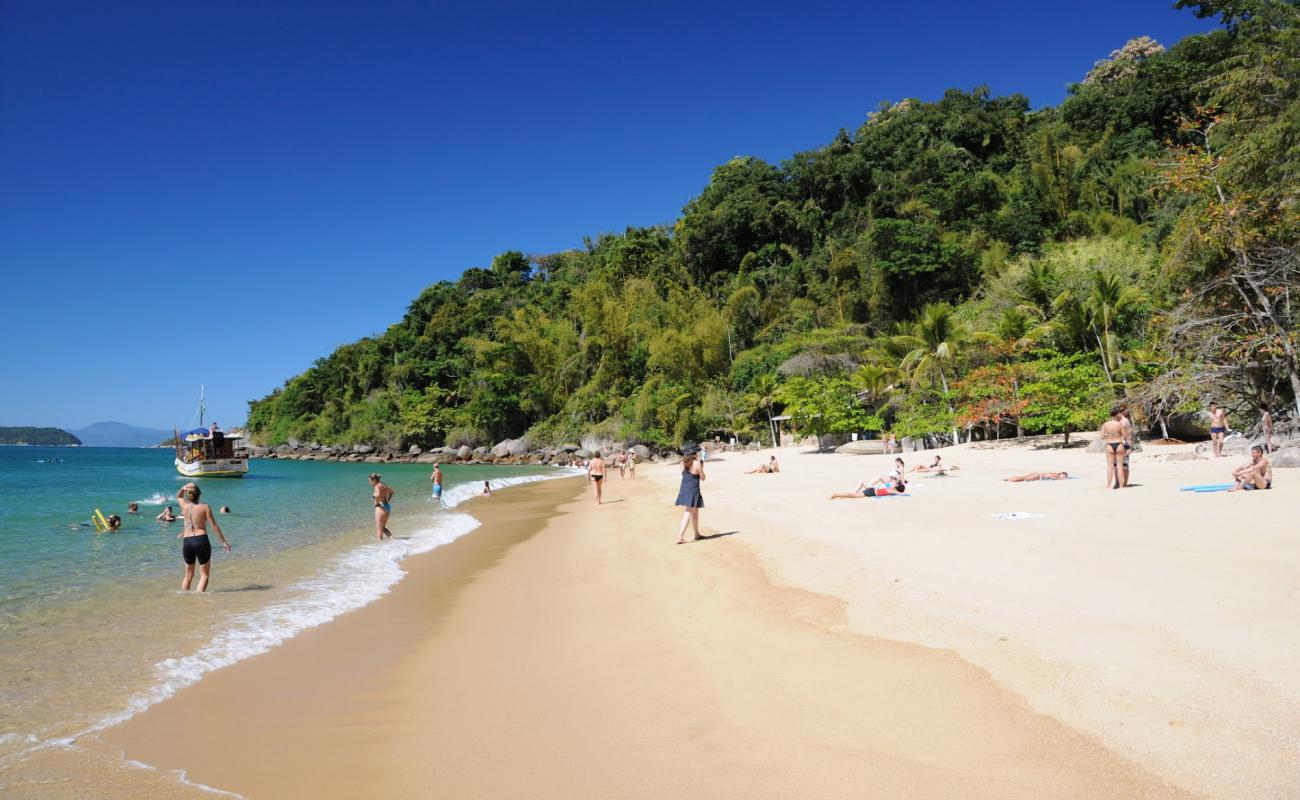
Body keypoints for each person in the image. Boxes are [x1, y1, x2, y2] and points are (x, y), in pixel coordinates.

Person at [176, 482, 231, 592]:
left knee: (188, 575)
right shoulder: (205, 507)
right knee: (204, 575)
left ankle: (183, 599)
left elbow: (179, 496)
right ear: (200, 494)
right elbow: (214, 526)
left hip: (187, 541)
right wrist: (223, 542)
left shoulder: (184, 506)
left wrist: (183, 488)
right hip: (201, 540)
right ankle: (200, 601)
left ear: (188, 495)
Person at [674, 452, 705, 544]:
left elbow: (685, 475)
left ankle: (697, 534)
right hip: (693, 490)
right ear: (694, 453)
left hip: (684, 488)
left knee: (695, 511)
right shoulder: (697, 463)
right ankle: (680, 536)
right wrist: (701, 467)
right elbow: (703, 477)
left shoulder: (682, 463)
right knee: (688, 512)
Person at [1100, 407, 1127, 489]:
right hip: (1119, 444)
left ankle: (1108, 486)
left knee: (1109, 467)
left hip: (1109, 445)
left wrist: (1108, 437)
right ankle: (1121, 486)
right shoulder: (1120, 424)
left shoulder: (1105, 424)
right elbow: (1125, 436)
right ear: (1117, 414)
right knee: (1120, 466)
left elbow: (1101, 437)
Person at [369, 473, 394, 541]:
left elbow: (378, 494)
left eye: (370, 481)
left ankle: (379, 548)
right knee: (382, 528)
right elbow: (392, 492)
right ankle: (394, 541)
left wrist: (376, 503)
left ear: (374, 480)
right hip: (387, 506)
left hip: (380, 507)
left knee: (379, 529)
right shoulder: (383, 485)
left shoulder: (377, 486)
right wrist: (388, 500)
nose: (370, 483)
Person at [830, 478, 906, 499]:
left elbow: (898, 492)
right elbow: (899, 493)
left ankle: (838, 497)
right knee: (852, 495)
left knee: (852, 496)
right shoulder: (892, 490)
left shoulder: (892, 489)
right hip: (871, 492)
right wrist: (902, 493)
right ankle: (835, 494)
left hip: (872, 491)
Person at [1118, 404, 1135, 487]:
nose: (1127, 411)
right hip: (1121, 444)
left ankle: (1124, 483)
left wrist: (1130, 447)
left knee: (1124, 465)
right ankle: (1122, 482)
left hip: (1125, 444)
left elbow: (1130, 434)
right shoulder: (1122, 421)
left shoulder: (1124, 421)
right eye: (1126, 410)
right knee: (1120, 464)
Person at [1004, 471, 1069, 482]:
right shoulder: (1056, 475)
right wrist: (1061, 479)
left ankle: (1008, 479)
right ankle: (1011, 480)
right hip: (1038, 476)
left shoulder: (1055, 474)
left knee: (1023, 477)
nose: (1064, 476)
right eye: (1064, 475)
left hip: (1037, 474)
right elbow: (1053, 478)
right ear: (1061, 474)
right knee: (1023, 478)